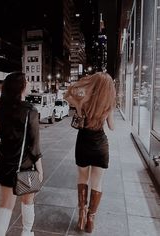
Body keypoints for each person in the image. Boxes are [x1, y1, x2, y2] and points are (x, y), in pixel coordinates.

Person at [0, 71, 43, 236]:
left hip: (6, 163)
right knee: (28, 200)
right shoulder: (30, 112)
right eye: (26, 81)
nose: (29, 83)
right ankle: (27, 233)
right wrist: (40, 169)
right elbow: (34, 145)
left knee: (5, 205)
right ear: (20, 87)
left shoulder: (1, 110)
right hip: (26, 165)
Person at [64, 72, 116, 233]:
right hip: (100, 146)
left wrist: (79, 102)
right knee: (97, 183)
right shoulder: (108, 104)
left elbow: (67, 94)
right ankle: (91, 219)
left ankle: (82, 214)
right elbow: (112, 127)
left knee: (82, 178)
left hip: (83, 144)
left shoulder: (84, 101)